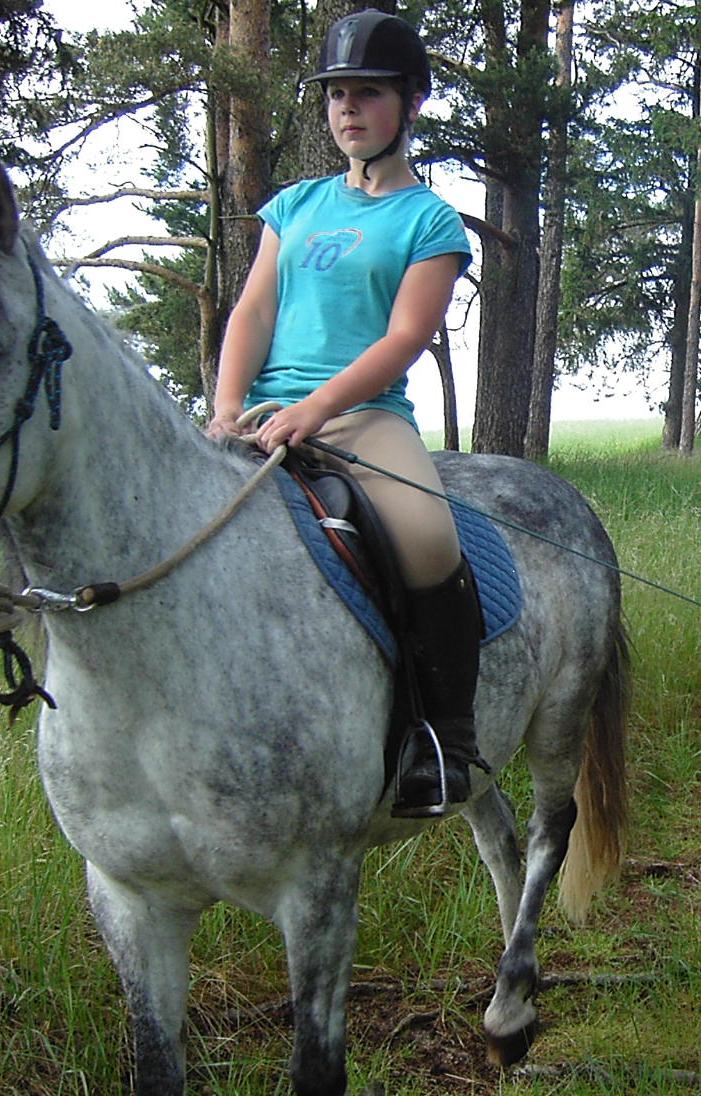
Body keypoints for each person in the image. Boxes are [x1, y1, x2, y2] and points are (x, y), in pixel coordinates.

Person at [207, 9, 481, 819]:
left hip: (363, 417)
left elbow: (404, 339)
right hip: (261, 412)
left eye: (368, 93)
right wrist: (228, 407)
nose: (348, 110)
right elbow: (252, 315)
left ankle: (444, 740)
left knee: (429, 538)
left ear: (413, 102)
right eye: (335, 95)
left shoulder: (429, 220)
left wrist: (316, 411)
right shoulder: (292, 207)